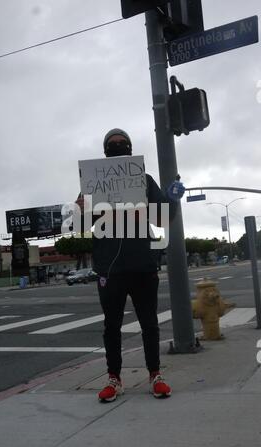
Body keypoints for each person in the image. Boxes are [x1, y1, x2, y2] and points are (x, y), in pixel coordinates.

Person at [76, 128, 185, 402]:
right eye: (112, 144)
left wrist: (172, 197)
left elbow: (163, 219)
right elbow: (79, 227)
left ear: (130, 148)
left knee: (150, 324)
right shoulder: (92, 184)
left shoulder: (144, 181)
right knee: (111, 326)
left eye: (122, 143)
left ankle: (155, 375)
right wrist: (79, 209)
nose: (117, 146)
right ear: (105, 152)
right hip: (109, 269)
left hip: (142, 265)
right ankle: (114, 379)